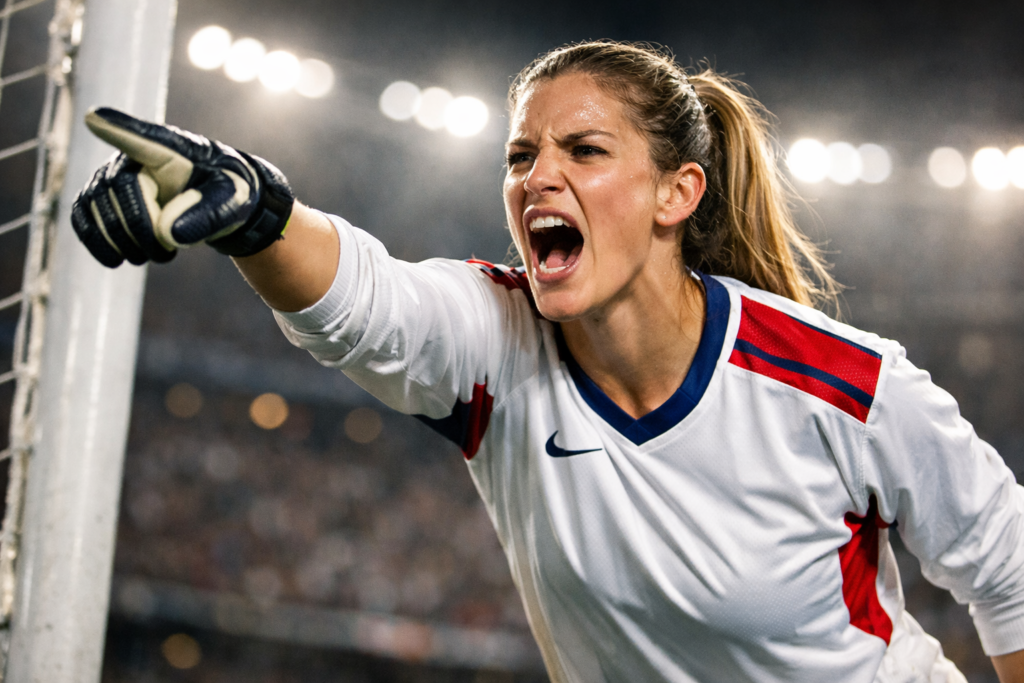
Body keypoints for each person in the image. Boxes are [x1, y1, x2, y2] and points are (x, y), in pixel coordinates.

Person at [71, 41, 1024, 683]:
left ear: (675, 193)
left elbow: (1008, 563)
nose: (539, 177)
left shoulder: (839, 380)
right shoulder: (497, 339)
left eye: (584, 149)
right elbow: (367, 302)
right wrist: (254, 218)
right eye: (521, 154)